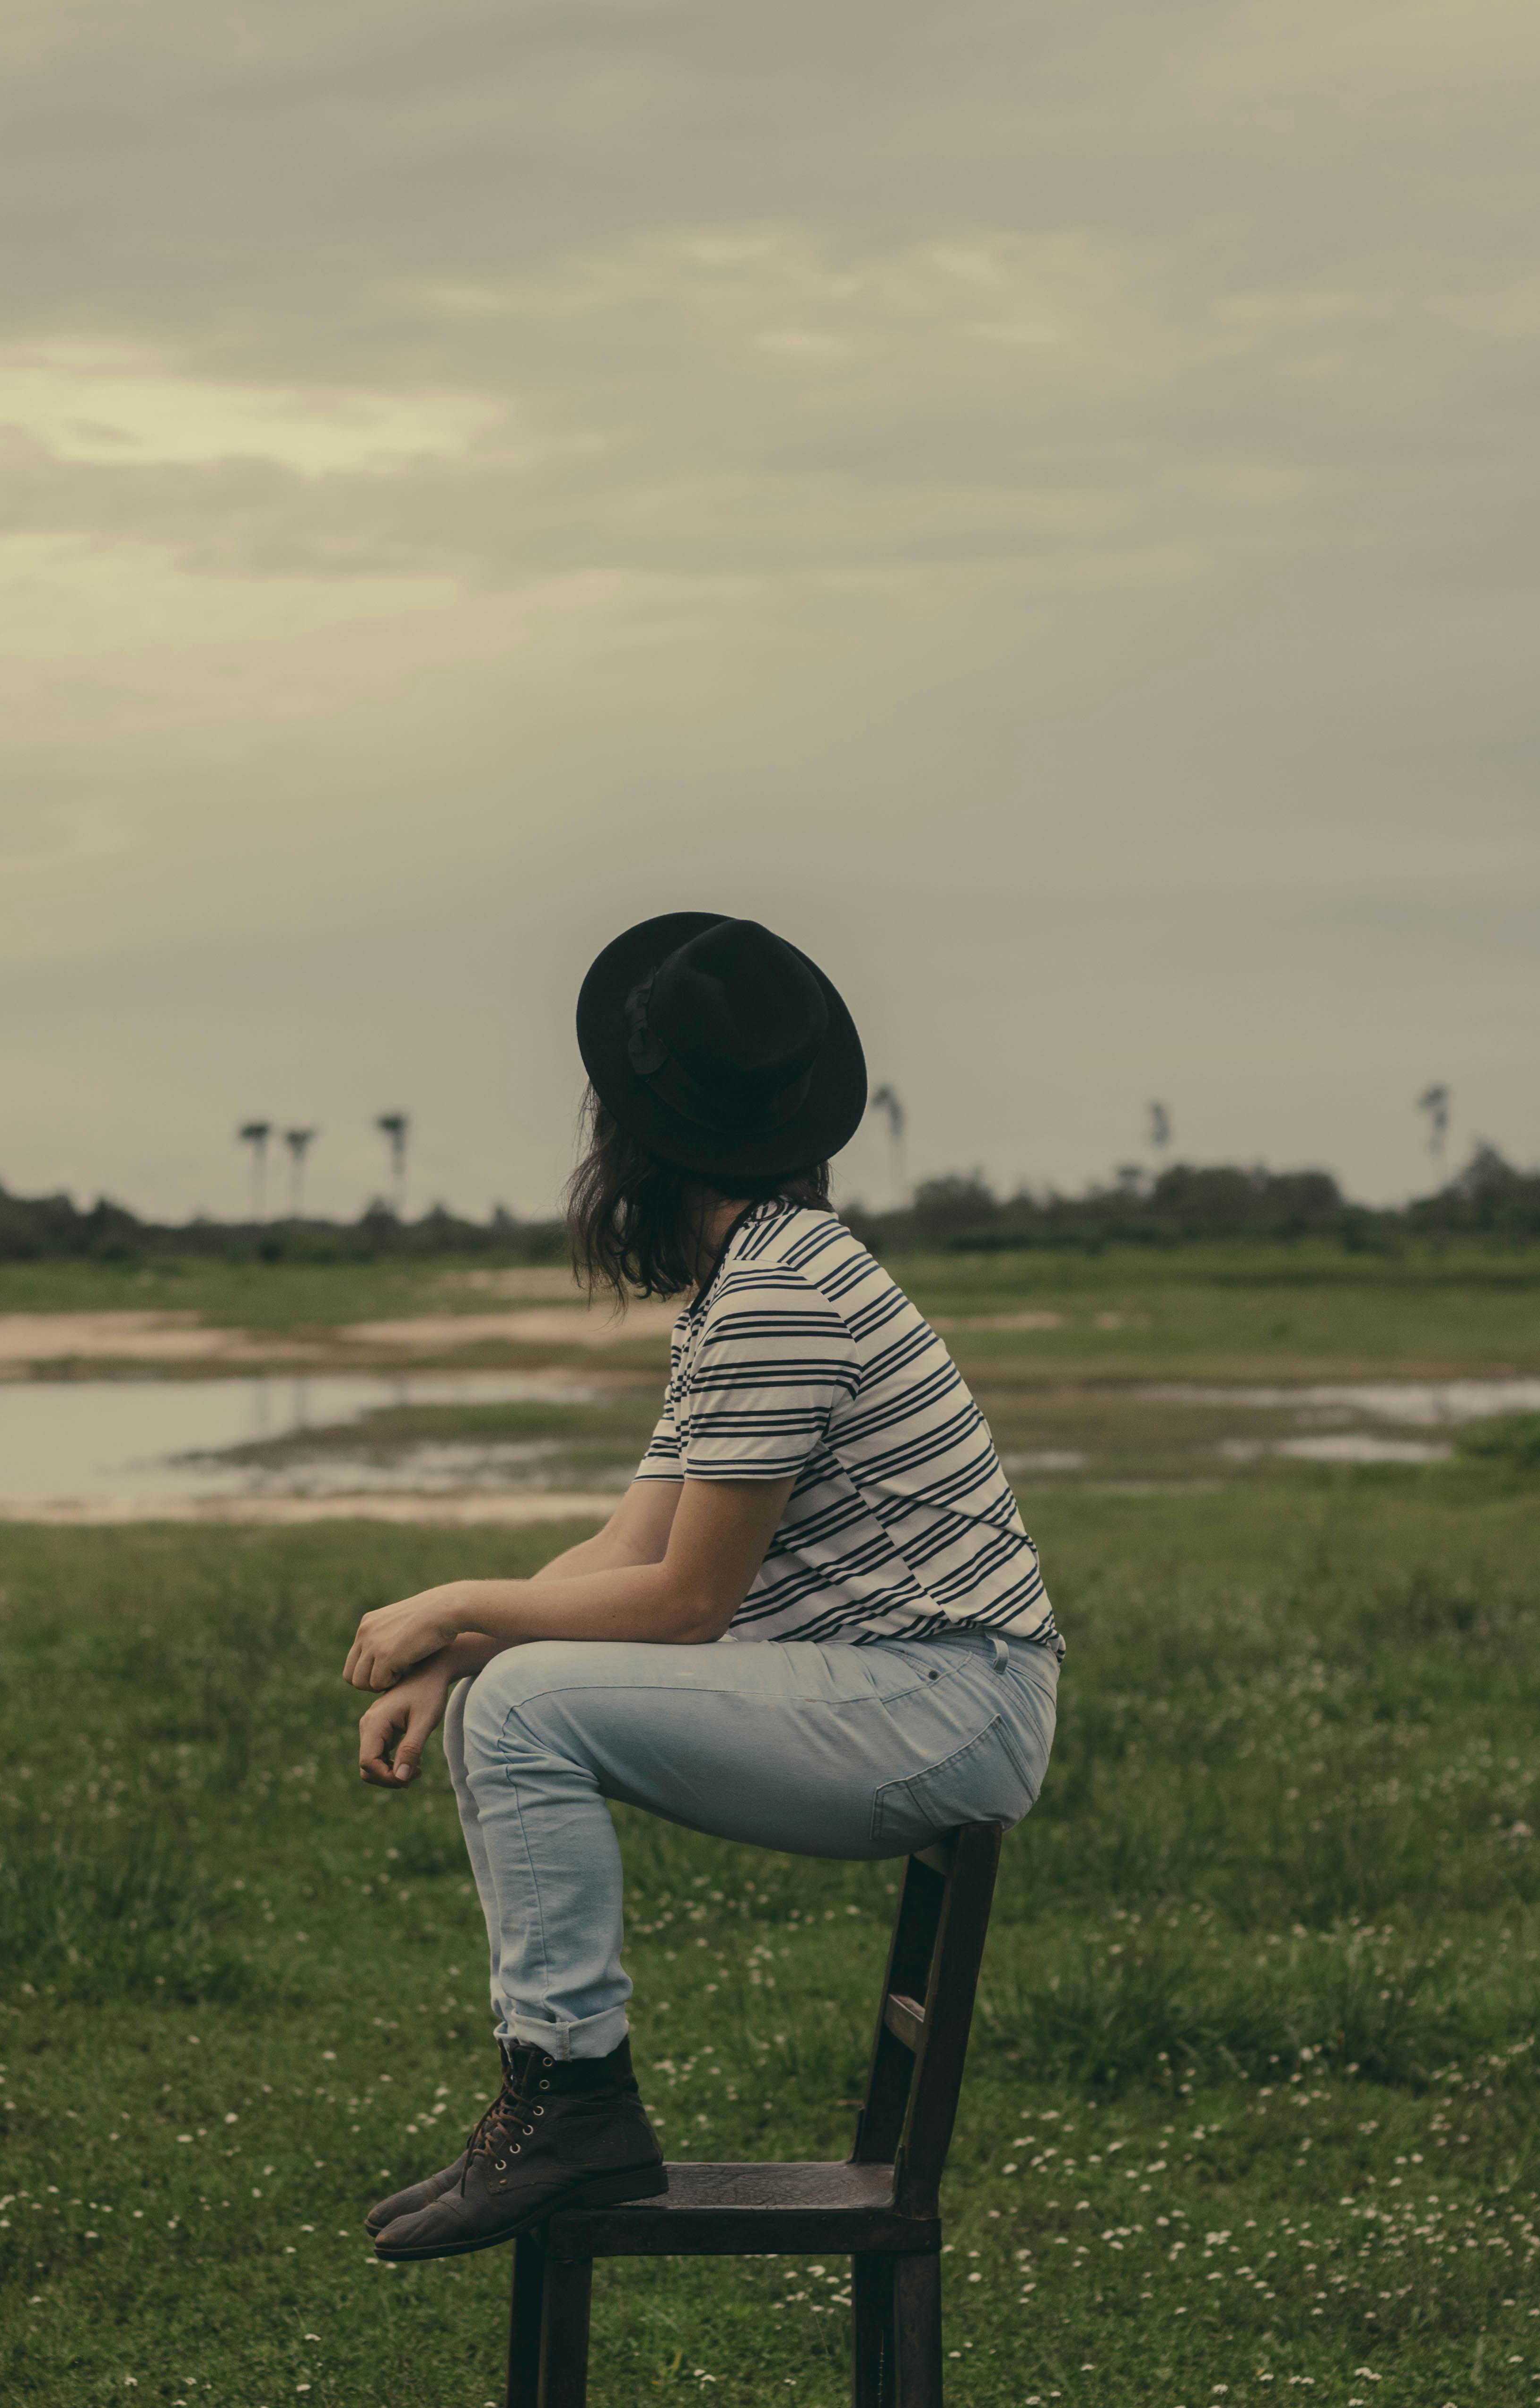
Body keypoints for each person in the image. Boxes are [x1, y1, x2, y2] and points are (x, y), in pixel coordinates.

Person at [347, 912, 1061, 2261]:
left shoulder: (785, 1294)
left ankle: (573, 2109)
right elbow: (624, 1551)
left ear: (635, 1138)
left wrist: (455, 1604)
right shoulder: (753, 1286)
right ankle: (556, 2104)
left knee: (530, 1711)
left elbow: (685, 1606)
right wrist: (458, 1658)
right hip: (928, 1689)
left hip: (947, 1702)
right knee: (511, 1693)